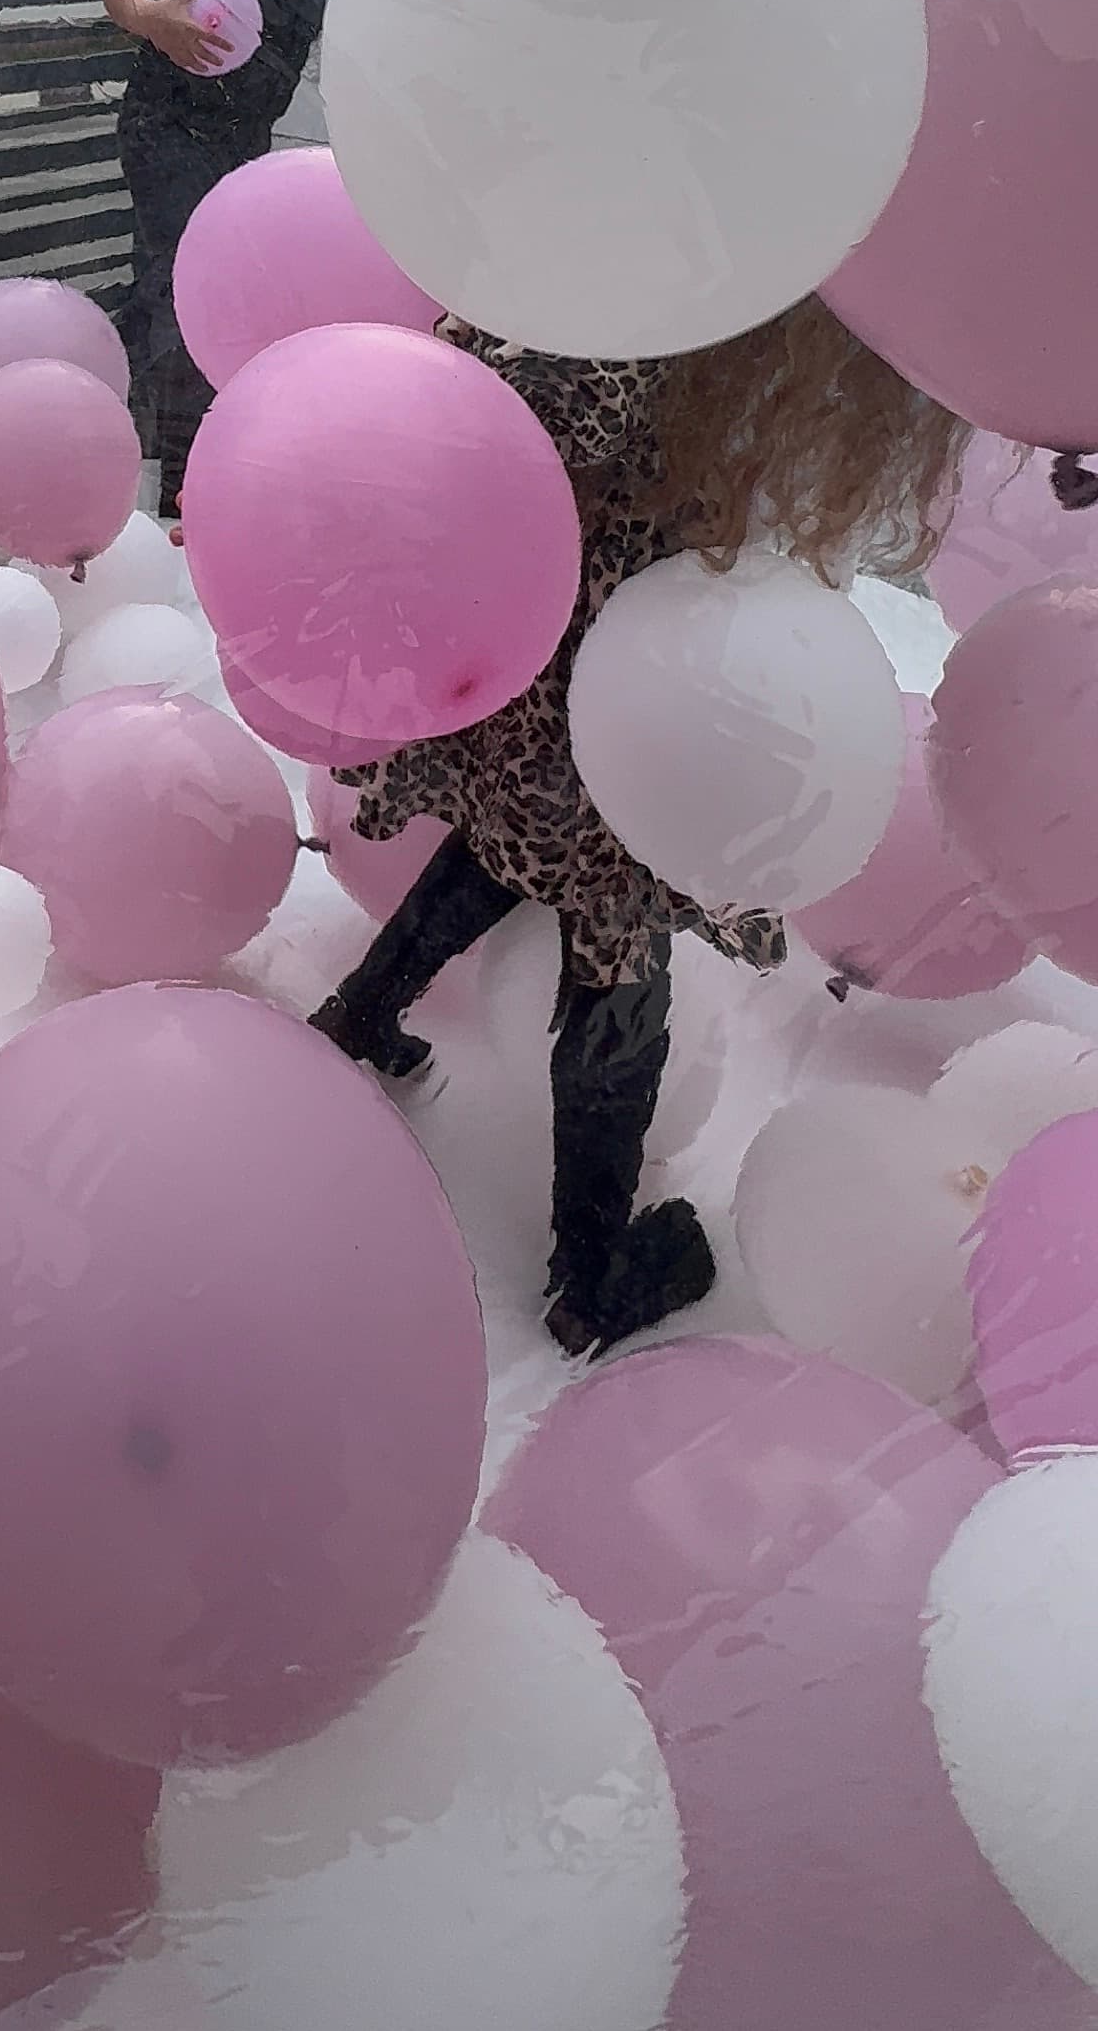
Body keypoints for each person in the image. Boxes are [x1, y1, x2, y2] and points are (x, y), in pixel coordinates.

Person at [310, 299, 969, 1359]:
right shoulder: (627, 317)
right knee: (618, 953)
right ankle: (592, 1269)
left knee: (504, 842)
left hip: (533, 676)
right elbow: (576, 414)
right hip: (612, 698)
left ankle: (362, 1012)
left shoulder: (535, 294)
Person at [105, 0, 345, 510]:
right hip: (168, 126)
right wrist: (151, 21)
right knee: (185, 291)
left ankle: (148, 416)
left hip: (246, 137)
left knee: (220, 293)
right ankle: (176, 493)